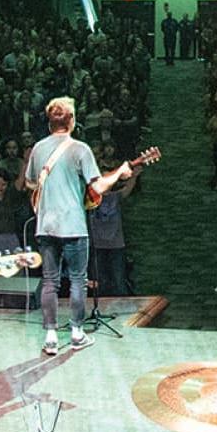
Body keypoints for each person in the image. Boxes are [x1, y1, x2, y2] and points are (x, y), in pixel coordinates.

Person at [23, 96, 136, 354]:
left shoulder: (38, 149)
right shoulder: (80, 149)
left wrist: (49, 188)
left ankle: (50, 336)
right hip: (73, 225)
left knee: (50, 281)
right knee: (77, 280)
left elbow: (29, 183)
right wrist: (119, 173)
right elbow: (97, 186)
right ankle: (76, 332)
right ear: (71, 121)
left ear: (50, 122)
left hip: (46, 225)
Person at [88, 141, 137, 296]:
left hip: (116, 244)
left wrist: (134, 176)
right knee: (99, 282)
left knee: (118, 280)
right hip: (98, 244)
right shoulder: (92, 198)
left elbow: (127, 189)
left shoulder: (116, 196)